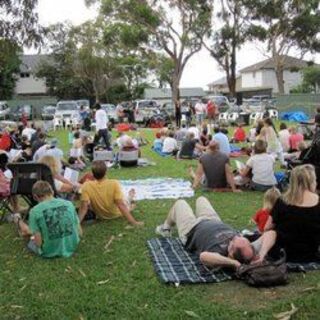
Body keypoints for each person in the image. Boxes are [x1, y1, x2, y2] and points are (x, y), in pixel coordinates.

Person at [155, 196, 275, 269]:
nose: (234, 237)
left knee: (180, 203)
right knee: (201, 199)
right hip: (213, 219)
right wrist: (262, 254)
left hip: (191, 229)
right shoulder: (250, 250)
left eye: (232, 243)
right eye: (236, 237)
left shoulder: (220, 254)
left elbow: (204, 257)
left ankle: (165, 228)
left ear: (231, 253)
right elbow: (271, 233)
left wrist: (234, 263)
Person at [261, 165, 320, 263]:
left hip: (282, 252)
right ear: (311, 181)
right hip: (310, 253)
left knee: (270, 233)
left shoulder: (282, 201)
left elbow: (267, 228)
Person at [13, 181, 81, 258]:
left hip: (49, 251)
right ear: (52, 192)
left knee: (28, 236)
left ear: (35, 197)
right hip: (72, 246)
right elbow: (79, 232)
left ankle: (17, 219)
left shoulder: (35, 211)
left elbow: (38, 243)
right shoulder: (69, 204)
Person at [79, 160, 143, 226]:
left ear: (92, 173)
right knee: (126, 200)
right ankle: (130, 197)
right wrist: (134, 222)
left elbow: (83, 208)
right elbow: (121, 205)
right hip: (116, 214)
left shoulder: (86, 185)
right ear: (106, 172)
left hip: (101, 215)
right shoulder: (114, 183)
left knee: (124, 199)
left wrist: (77, 224)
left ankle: (130, 197)